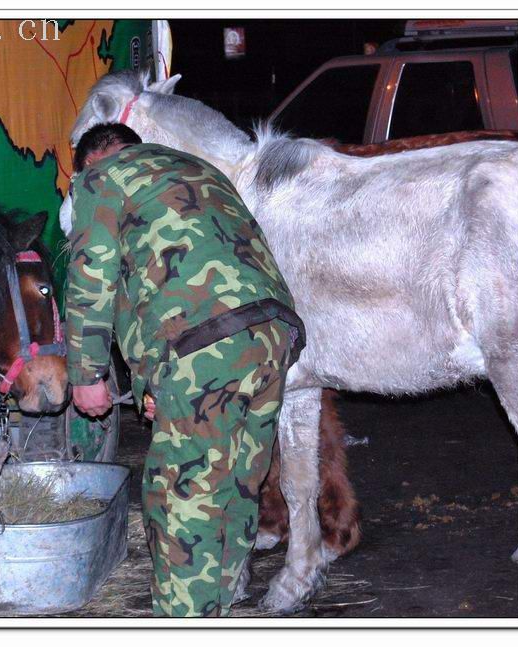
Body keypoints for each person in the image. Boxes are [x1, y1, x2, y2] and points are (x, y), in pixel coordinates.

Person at [64, 122, 305, 617]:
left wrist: (86, 374)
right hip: (272, 334)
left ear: (93, 159)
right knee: (236, 482)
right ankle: (218, 605)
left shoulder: (102, 178)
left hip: (205, 342)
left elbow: (94, 277)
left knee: (182, 499)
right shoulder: (201, 170)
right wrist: (154, 379)